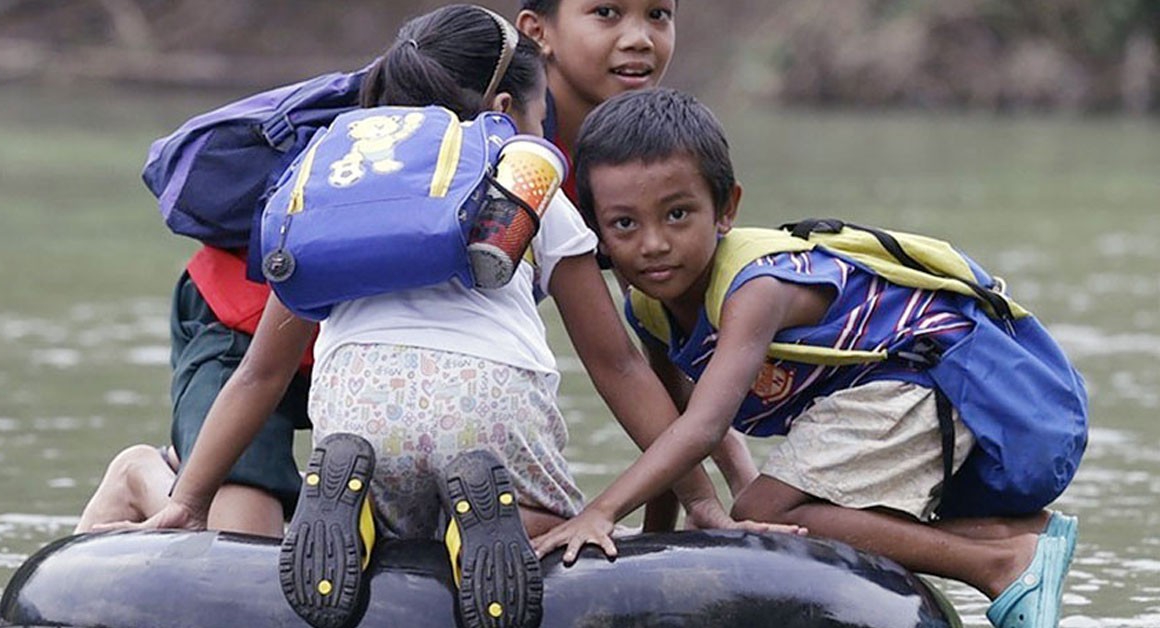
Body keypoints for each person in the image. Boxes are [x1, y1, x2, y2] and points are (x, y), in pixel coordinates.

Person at [100, 8, 797, 628]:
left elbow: (260, 374)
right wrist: (702, 502)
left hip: (357, 415)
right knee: (542, 522)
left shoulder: (333, 183)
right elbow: (617, 363)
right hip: (487, 422)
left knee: (351, 486)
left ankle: (363, 513)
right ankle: (476, 528)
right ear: (505, 109)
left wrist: (188, 503)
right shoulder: (529, 186)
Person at [530, 87, 1088, 628]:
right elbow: (673, 423)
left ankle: (998, 564)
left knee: (761, 509)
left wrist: (601, 512)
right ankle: (1005, 537)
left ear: (726, 209)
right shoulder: (648, 305)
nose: (653, 244)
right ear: (596, 231)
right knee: (760, 508)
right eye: (625, 224)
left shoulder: (755, 289)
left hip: (924, 371)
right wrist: (665, 541)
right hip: (878, 390)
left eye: (677, 215)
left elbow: (703, 427)